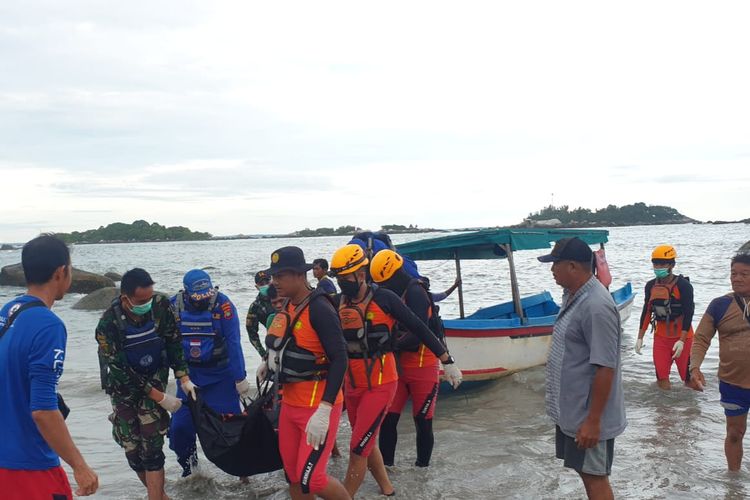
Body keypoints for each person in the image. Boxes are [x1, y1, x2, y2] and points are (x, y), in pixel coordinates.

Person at [329, 244, 462, 497]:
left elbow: (421, 329)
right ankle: (388, 489)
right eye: (337, 278)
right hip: (353, 383)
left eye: (345, 278)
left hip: (382, 381)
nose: (341, 283)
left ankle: (346, 495)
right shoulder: (337, 303)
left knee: (358, 446)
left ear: (360, 273)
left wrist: (447, 360)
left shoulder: (386, 299)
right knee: (365, 441)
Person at [0, 235, 98, 499]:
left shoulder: (7, 312)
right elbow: (42, 410)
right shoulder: (48, 325)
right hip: (28, 467)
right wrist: (80, 466)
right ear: (61, 272)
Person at [256, 246, 350, 500]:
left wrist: (325, 409)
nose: (275, 282)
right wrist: (269, 362)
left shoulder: (320, 308)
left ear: (300, 275)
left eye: (280, 276)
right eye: (273, 276)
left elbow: (341, 358)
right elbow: (285, 342)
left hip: (316, 407)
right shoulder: (286, 305)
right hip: (290, 405)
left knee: (314, 479)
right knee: (293, 475)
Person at [96, 268, 195, 500]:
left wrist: (184, 377)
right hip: (123, 389)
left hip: (154, 376)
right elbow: (118, 369)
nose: (147, 303)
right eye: (141, 300)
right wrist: (159, 397)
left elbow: (173, 341)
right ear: (125, 298)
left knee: (152, 448)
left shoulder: (160, 305)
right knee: (132, 450)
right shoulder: (108, 323)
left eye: (149, 297)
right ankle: (161, 496)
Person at [538, 237, 626, 500]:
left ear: (573, 267)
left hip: (589, 416)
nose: (551, 270)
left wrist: (593, 421)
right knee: (585, 473)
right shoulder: (573, 295)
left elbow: (606, 367)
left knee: (595, 477)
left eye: (556, 264)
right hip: (574, 411)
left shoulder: (596, 306)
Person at [371, 250, 454, 468]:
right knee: (388, 420)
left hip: (422, 367)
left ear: (396, 274)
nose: (383, 287)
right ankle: (387, 468)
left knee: (423, 422)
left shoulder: (415, 292)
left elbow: (418, 334)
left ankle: (422, 472)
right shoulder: (391, 294)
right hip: (398, 368)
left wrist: (390, 344)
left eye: (385, 282)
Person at [169, 269, 252, 477]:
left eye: (205, 295)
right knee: (179, 429)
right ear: (186, 292)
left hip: (221, 378)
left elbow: (234, 342)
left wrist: (240, 378)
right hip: (189, 379)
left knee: (232, 431)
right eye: (197, 297)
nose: (202, 301)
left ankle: (243, 475)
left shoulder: (223, 305)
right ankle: (191, 471)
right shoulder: (173, 306)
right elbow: (166, 344)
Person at [689, 252, 750, 472]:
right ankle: (733, 485)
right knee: (734, 433)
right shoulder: (719, 305)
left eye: (744, 274)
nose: (738, 278)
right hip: (733, 382)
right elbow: (701, 338)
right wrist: (694, 367)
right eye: (734, 273)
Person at [635, 245, 695, 390]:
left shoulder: (684, 286)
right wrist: (640, 337)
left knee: (689, 380)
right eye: (656, 263)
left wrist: (681, 340)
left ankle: (696, 411)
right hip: (661, 339)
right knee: (662, 380)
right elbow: (647, 311)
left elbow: (689, 312)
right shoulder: (650, 286)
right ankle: (663, 412)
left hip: (683, 339)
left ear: (672, 265)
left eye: (663, 263)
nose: (658, 267)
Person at [246, 270, 273, 358]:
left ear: (272, 280)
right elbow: (252, 333)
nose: (265, 285)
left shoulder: (284, 296)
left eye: (267, 281)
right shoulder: (255, 307)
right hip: (273, 343)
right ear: (257, 287)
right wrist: (263, 354)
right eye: (261, 283)